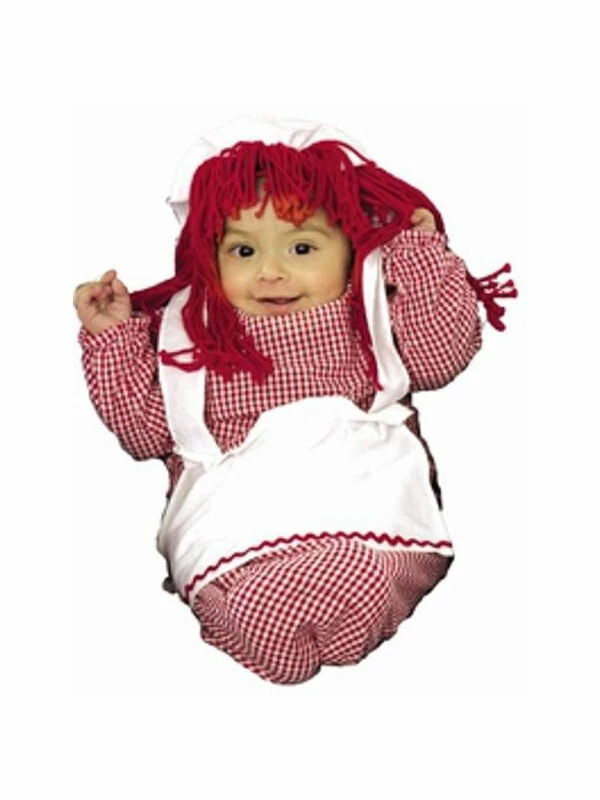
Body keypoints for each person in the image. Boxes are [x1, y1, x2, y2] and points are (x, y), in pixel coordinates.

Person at [74, 116, 516, 684]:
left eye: (302, 247)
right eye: (242, 251)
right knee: (243, 570)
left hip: (363, 497)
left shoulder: (366, 314)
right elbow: (145, 434)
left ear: (354, 250)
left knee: (365, 559)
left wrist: (416, 253)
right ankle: (262, 605)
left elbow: (439, 357)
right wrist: (115, 337)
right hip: (235, 522)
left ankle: (346, 580)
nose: (271, 272)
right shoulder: (191, 334)